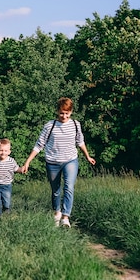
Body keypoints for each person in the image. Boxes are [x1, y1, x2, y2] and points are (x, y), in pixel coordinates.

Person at [21, 97, 95, 227]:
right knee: (55, 190)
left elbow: (80, 142)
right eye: (62, 113)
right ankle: (57, 213)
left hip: (70, 160)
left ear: (71, 112)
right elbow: (39, 145)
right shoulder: (50, 126)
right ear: (57, 111)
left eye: (67, 113)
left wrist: (87, 156)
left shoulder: (76, 125)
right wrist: (27, 162)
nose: (64, 116)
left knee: (69, 187)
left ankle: (66, 217)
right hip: (53, 162)